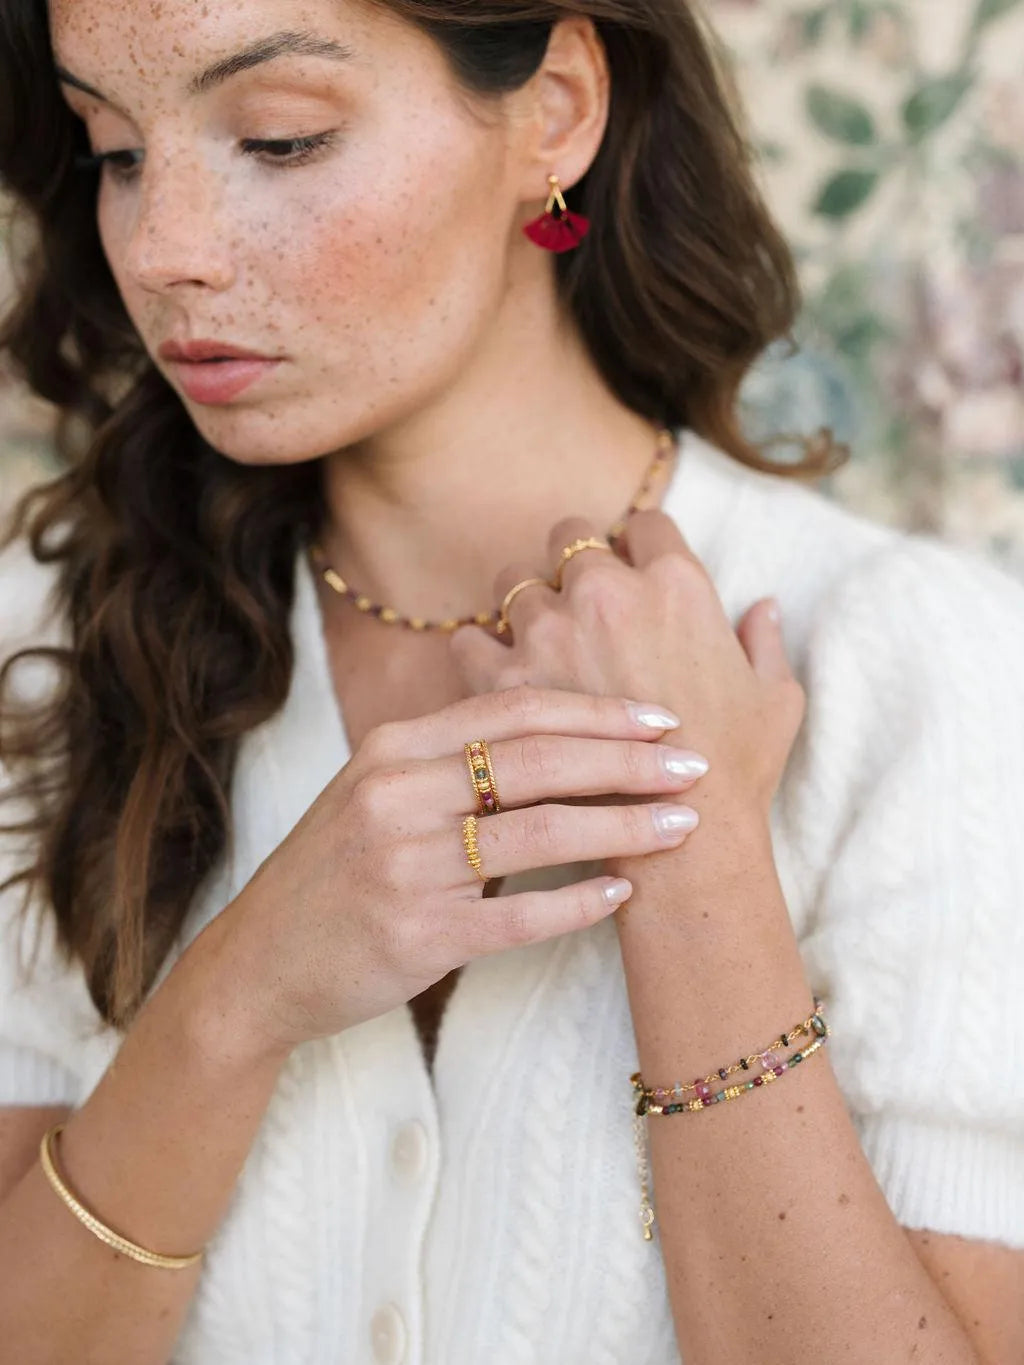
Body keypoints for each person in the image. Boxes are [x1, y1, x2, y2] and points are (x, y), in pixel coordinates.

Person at [0, 2, 1022, 1362]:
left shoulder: (925, 669)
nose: (162, 248)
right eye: (116, 151)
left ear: (555, 111)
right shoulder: (45, 653)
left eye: (280, 139)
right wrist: (235, 997)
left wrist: (698, 863)